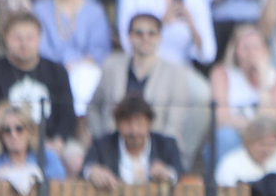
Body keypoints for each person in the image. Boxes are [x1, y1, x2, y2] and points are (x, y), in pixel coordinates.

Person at [88, 12, 212, 169]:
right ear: (129, 36)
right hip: (112, 151)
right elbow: (94, 106)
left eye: (151, 33)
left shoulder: (175, 73)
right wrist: (103, 139)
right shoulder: (111, 66)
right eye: (139, 33)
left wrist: (160, 155)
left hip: (156, 155)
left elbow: (174, 123)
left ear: (159, 37)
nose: (145, 38)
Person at [0, 12, 82, 174]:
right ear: (6, 38)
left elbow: (67, 115)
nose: (24, 44)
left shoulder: (57, 72)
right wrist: (14, 139)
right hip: (8, 137)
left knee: (75, 159)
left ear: (39, 38)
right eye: (17, 38)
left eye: (30, 38)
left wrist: (58, 141)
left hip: (51, 139)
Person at [34, 0, 110, 117]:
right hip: (52, 70)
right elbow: (40, 47)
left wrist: (76, 65)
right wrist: (62, 68)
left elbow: (100, 49)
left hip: (85, 71)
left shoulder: (94, 11)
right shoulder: (41, 10)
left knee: (84, 77)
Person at [210, 23, 276, 162]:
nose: (251, 53)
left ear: (266, 51)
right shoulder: (221, 74)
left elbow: (273, 121)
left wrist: (264, 82)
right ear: (236, 51)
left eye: (256, 48)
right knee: (225, 136)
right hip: (234, 133)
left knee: (275, 141)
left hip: (264, 136)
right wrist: (254, 127)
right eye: (246, 47)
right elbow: (221, 118)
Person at [81, 95, 183, 188]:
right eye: (127, 123)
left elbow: (180, 172)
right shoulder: (102, 146)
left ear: (149, 124)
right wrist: (93, 172)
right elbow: (86, 169)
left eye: (140, 123)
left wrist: (168, 174)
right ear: (117, 124)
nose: (134, 130)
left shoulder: (166, 145)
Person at [0, 100, 65, 192]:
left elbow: (59, 182)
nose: (13, 135)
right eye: (7, 130)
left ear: (29, 131)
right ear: (1, 135)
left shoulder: (46, 157)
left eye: (19, 129)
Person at [213, 115, 276, 186]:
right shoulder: (231, 163)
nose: (267, 150)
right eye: (262, 144)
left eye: (272, 144)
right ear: (249, 142)